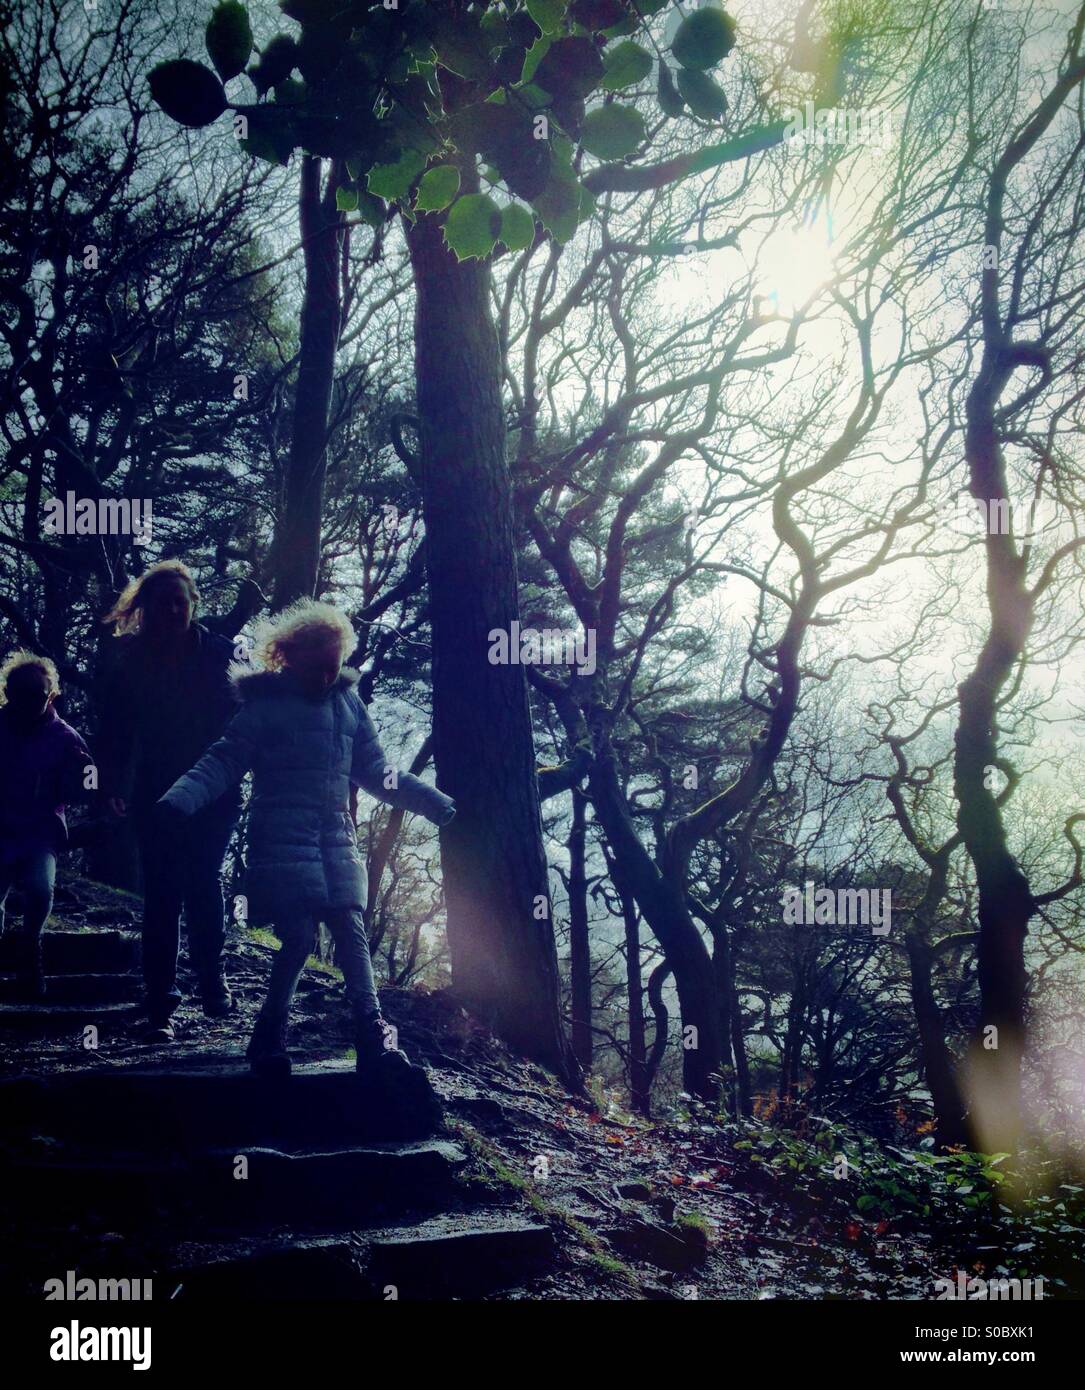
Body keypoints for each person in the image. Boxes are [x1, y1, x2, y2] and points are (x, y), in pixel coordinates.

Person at [156, 599, 455, 1080]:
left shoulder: (347, 704)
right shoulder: (265, 706)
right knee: (296, 939)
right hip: (280, 842)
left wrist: (432, 802)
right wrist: (179, 800)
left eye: (333, 667)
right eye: (317, 667)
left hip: (337, 840)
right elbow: (224, 760)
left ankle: (372, 1033)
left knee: (351, 934)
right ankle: (270, 1034)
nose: (325, 677)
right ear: (290, 656)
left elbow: (378, 772)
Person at [98, 561, 243, 1041]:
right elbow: (115, 731)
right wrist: (112, 786)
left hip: (214, 791)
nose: (174, 610)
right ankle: (160, 998)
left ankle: (212, 980)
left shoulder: (223, 654)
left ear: (194, 603)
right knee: (162, 893)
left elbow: (252, 720)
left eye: (181, 601)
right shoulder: (130, 662)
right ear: (147, 609)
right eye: (164, 603)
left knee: (203, 881)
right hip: (155, 793)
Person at [0, 651, 91, 999]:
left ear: (50, 695)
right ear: (8, 693)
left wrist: (84, 782)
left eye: (36, 695)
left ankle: (30, 948)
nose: (27, 702)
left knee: (40, 889)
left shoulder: (66, 737)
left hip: (40, 831)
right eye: (19, 693)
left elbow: (89, 781)